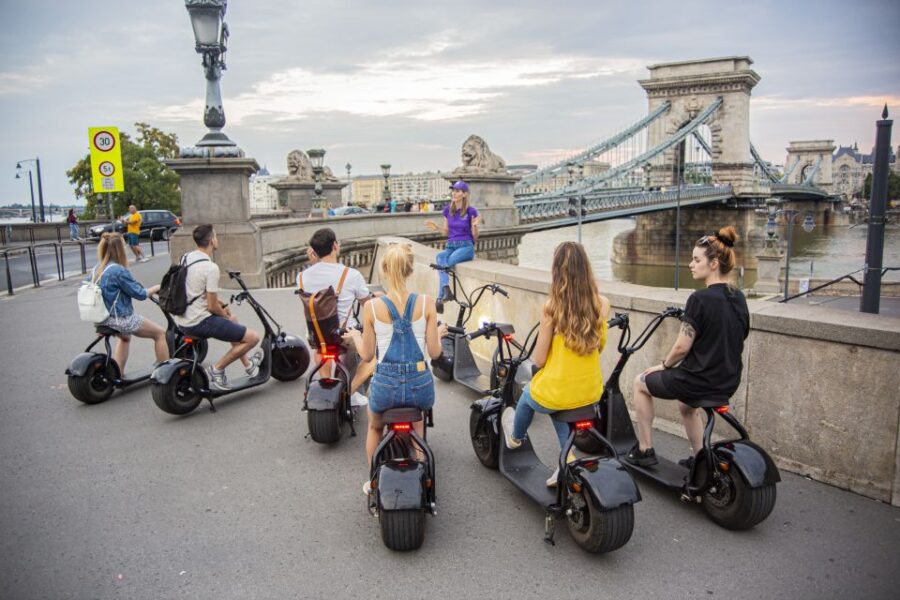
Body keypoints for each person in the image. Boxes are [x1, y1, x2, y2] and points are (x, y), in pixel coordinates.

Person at [625, 226, 750, 468]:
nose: (690, 265)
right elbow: (740, 334)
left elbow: (682, 347)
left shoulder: (699, 299)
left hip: (698, 380)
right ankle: (700, 456)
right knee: (686, 405)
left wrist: (662, 365)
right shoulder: (739, 297)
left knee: (640, 382)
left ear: (713, 263)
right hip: (728, 380)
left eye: (696, 259)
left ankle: (645, 449)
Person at [500, 241, 609, 487]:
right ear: (586, 269)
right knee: (558, 405)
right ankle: (567, 460)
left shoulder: (551, 307)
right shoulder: (602, 303)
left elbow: (538, 359)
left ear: (556, 271)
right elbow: (600, 346)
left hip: (559, 390)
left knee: (531, 393)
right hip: (590, 391)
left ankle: (515, 437)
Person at [349, 243, 447, 494]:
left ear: (383, 270)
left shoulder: (371, 307)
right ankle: (423, 479)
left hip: (385, 388)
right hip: (420, 387)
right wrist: (437, 334)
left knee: (374, 426)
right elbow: (435, 353)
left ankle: (372, 481)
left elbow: (368, 354)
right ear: (410, 270)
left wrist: (356, 338)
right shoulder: (427, 304)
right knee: (418, 424)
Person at [174, 224, 262, 391]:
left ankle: (249, 365)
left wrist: (224, 308)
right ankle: (217, 369)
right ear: (212, 240)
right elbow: (212, 306)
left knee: (233, 320)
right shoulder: (211, 268)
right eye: (215, 236)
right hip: (199, 321)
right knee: (253, 338)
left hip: (182, 319)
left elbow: (196, 291)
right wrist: (223, 313)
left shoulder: (186, 258)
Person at [300, 228, 378, 407]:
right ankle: (348, 392)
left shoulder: (302, 277)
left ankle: (327, 387)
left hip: (315, 335)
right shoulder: (351, 275)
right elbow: (367, 303)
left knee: (321, 347)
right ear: (335, 245)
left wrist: (314, 263)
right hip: (343, 334)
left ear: (314, 251)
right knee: (372, 356)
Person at [89, 232, 167, 371]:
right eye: (124, 246)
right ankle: (166, 373)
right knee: (160, 333)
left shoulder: (97, 268)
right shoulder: (118, 270)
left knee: (125, 338)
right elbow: (140, 294)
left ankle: (118, 371)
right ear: (119, 249)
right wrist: (156, 287)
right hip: (120, 318)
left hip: (101, 318)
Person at [424, 180, 480, 309]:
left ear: (464, 194)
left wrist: (475, 226)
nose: (454, 193)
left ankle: (440, 298)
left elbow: (475, 236)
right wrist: (436, 227)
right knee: (440, 257)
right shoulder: (447, 211)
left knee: (446, 262)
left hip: (466, 246)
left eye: (457, 191)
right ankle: (446, 291)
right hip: (451, 245)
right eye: (453, 191)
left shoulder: (471, 211)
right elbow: (446, 232)